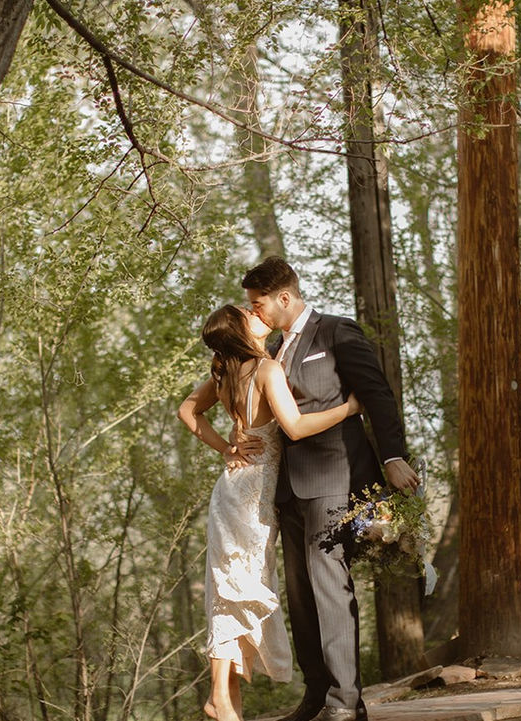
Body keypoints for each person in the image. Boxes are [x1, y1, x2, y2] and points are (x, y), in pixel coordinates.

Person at [240, 257, 419, 721]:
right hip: (287, 491)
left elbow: (377, 394)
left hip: (334, 480)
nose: (254, 313)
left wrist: (394, 457)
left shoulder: (337, 332)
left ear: (284, 297)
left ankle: (345, 703)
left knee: (329, 589)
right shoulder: (272, 349)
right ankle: (317, 694)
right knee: (300, 599)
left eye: (258, 304)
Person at [179, 304, 364, 721]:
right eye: (248, 312)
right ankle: (220, 700)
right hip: (250, 498)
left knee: (233, 588)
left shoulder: (225, 372)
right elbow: (296, 428)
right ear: (241, 330)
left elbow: (186, 411)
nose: (255, 311)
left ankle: (228, 701)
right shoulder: (265, 369)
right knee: (236, 589)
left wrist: (225, 447)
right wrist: (350, 409)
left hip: (236, 490)